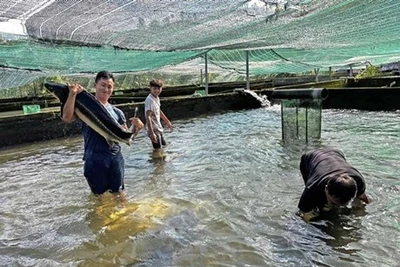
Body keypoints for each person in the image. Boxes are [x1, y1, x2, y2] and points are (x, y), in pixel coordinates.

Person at [62, 71, 144, 195]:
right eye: (103, 85)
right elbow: (67, 118)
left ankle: (125, 214)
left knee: (120, 194)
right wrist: (72, 94)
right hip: (94, 158)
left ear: (113, 89)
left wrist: (137, 128)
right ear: (95, 85)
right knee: (98, 198)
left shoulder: (117, 112)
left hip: (115, 157)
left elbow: (127, 138)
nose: (106, 89)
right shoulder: (84, 104)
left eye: (109, 86)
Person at [297, 147, 370, 221]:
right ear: (326, 189)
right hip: (309, 158)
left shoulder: (358, 181)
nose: (337, 206)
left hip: (336, 153)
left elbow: (363, 199)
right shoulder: (312, 188)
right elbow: (302, 213)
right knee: (313, 205)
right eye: (334, 203)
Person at [144, 79, 173, 153]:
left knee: (164, 146)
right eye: (154, 89)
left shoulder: (156, 98)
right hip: (154, 130)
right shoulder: (149, 99)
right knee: (158, 150)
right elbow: (148, 117)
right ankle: (158, 163)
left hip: (158, 127)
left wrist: (167, 121)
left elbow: (158, 111)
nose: (157, 91)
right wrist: (151, 133)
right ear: (150, 88)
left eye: (158, 88)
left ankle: (162, 163)